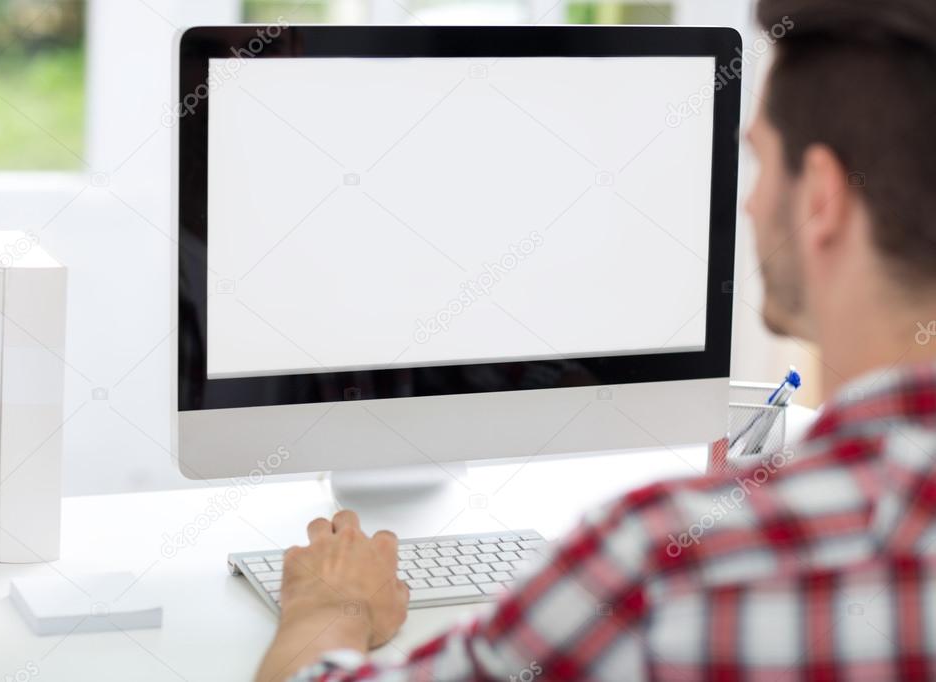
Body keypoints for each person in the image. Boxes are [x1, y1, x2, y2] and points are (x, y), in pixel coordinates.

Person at [256, 0, 936, 678]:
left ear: (820, 199)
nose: (751, 205)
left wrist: (329, 604)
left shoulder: (662, 568)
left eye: (759, 162)